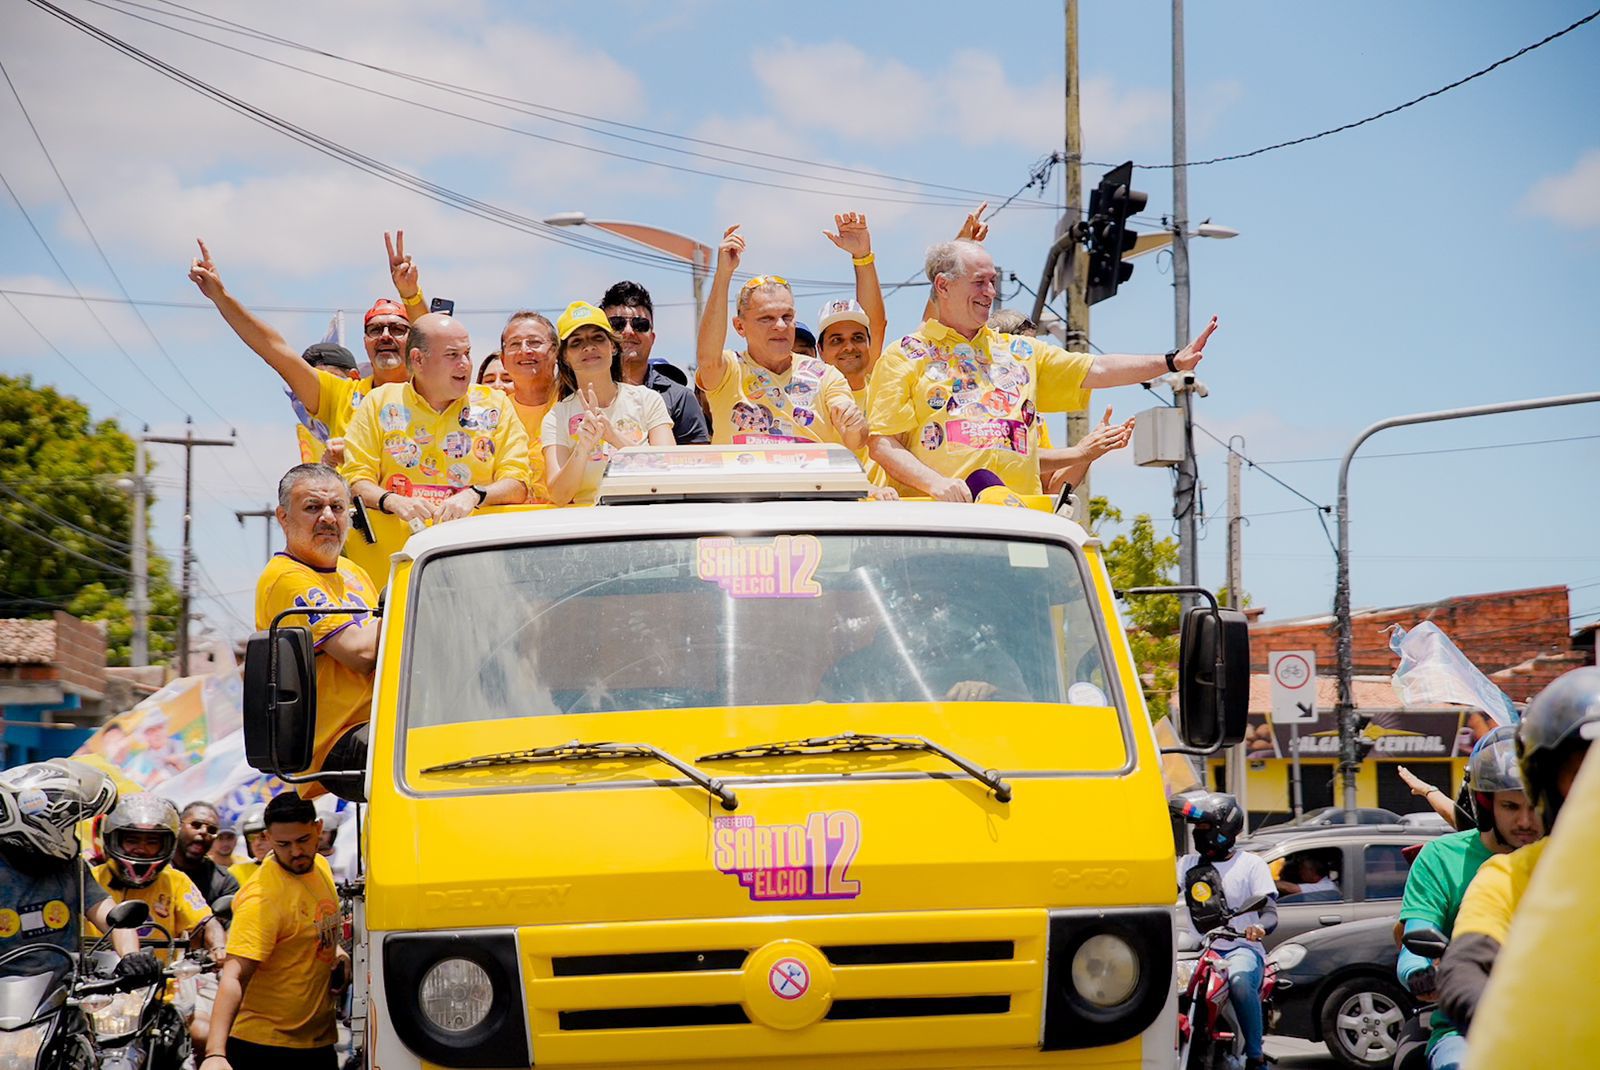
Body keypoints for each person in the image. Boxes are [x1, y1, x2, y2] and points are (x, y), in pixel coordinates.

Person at [867, 236, 1218, 499]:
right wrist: (937, 484)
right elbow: (882, 443)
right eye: (979, 282)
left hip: (1020, 527)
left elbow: (1096, 368)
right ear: (943, 285)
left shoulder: (1019, 351)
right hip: (942, 529)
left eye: (993, 282)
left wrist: (1169, 361)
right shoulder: (905, 355)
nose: (990, 292)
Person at [1437, 667, 1598, 1037]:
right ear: (1549, 785)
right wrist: (1512, 1026)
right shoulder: (1510, 877)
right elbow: (1466, 965)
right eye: (1584, 773)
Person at [1393, 725, 1539, 1070]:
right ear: (1485, 805)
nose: (1525, 821)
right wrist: (1421, 974)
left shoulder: (1572, 859)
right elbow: (1415, 938)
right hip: (1467, 1029)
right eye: (1510, 806)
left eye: (1535, 805)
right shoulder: (1442, 858)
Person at [188, 240, 410, 464]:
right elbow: (273, 349)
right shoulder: (340, 395)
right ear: (364, 342)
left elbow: (435, 342)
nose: (385, 335)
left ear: (415, 344)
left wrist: (411, 295)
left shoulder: (430, 393)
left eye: (397, 329)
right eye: (374, 329)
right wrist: (221, 297)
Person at [340, 312, 533, 566]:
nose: (465, 363)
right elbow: (354, 480)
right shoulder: (379, 403)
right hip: (395, 570)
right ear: (418, 359)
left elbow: (518, 482)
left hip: (477, 564)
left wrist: (475, 495)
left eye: (467, 353)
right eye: (452, 355)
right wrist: (392, 501)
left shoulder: (495, 405)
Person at [256, 465, 380, 801]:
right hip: (340, 742)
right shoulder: (286, 578)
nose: (327, 517)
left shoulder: (353, 572)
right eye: (313, 507)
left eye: (337, 508)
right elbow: (362, 653)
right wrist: (414, 601)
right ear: (283, 518)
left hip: (382, 722)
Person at [203, 792, 346, 1070]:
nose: (295, 852)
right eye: (283, 844)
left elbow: (316, 927)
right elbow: (234, 975)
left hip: (317, 1042)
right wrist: (215, 1053)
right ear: (268, 838)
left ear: (318, 829)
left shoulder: (321, 867)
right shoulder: (262, 899)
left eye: (303, 840)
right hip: (265, 1048)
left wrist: (339, 954)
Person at [695, 223, 868, 450]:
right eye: (766, 318)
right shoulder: (729, 370)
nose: (779, 325)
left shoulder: (825, 375)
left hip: (810, 484)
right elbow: (707, 359)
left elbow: (856, 439)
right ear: (740, 326)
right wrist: (723, 275)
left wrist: (854, 424)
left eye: (787, 316)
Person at [0, 760, 154, 978]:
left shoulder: (69, 868)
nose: (72, 833)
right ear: (40, 823)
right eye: (67, 823)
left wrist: (132, 956)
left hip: (63, 997)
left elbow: (110, 916)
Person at [1173, 792, 1275, 1070]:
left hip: (1241, 948)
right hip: (1200, 951)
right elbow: (1160, 895)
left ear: (1224, 830)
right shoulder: (1187, 865)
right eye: (1197, 829)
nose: (1198, 834)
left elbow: (1269, 913)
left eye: (1204, 828)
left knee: (1241, 982)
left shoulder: (1251, 864)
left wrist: (1258, 928)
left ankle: (1255, 1056)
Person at [542, 302, 675, 506]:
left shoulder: (647, 400)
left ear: (613, 346)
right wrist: (582, 447)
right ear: (565, 357)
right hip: (589, 527)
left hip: (645, 515)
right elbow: (559, 495)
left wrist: (613, 436)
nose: (589, 347)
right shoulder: (556, 417)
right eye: (576, 342)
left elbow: (670, 469)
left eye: (598, 338)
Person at [599, 281, 710, 445]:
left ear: (652, 338)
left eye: (640, 325)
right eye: (617, 324)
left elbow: (696, 464)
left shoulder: (680, 398)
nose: (628, 332)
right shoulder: (580, 393)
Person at [172, 801, 241, 908]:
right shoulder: (153, 870)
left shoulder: (225, 882)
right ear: (178, 826)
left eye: (212, 830)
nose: (204, 832)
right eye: (196, 825)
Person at [1274, 851, 1339, 900]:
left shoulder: (1327, 887)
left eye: (1302, 868)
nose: (1300, 871)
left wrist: (1269, 882)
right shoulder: (1321, 884)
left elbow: (1289, 888)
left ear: (1312, 870)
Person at [229, 805, 268, 888]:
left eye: (263, 836)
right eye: (251, 837)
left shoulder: (293, 869)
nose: (257, 843)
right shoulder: (236, 872)